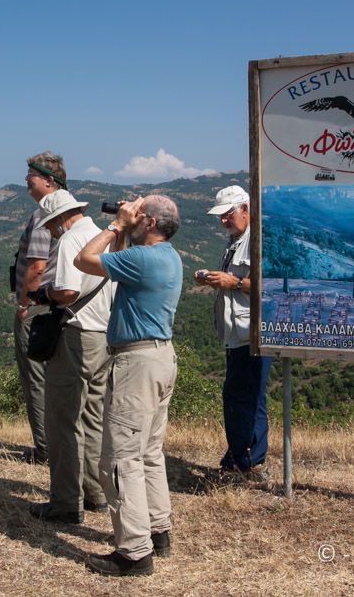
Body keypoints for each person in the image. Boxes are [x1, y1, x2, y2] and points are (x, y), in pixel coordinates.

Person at [74, 194, 183, 578]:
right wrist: (126, 228)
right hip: (161, 357)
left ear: (150, 222)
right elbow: (117, 264)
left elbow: (83, 260)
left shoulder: (142, 259)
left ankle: (134, 553)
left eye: (140, 215)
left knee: (120, 460)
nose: (133, 218)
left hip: (136, 364)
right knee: (149, 452)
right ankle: (158, 531)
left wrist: (116, 224)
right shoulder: (168, 256)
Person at [27, 189, 114, 524]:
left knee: (62, 419)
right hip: (103, 335)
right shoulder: (101, 237)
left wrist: (42, 293)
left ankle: (65, 502)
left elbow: (67, 292)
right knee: (93, 417)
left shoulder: (70, 241)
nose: (50, 231)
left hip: (76, 336)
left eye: (50, 224)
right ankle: (95, 493)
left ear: (61, 218)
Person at [195, 185, 271, 487]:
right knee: (242, 396)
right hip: (237, 333)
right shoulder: (236, 241)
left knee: (244, 397)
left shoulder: (257, 240)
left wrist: (234, 282)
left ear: (245, 210)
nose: (224, 221)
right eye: (222, 217)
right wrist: (217, 280)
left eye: (228, 215)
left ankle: (247, 463)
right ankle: (240, 458)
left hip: (250, 333)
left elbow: (267, 286)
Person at [13, 151, 67, 464]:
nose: (26, 182)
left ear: (48, 181)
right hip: (58, 303)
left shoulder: (42, 213)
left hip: (37, 307)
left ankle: (45, 449)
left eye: (30, 177)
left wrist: (24, 304)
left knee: (35, 378)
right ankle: (57, 443)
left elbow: (36, 265)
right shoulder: (68, 209)